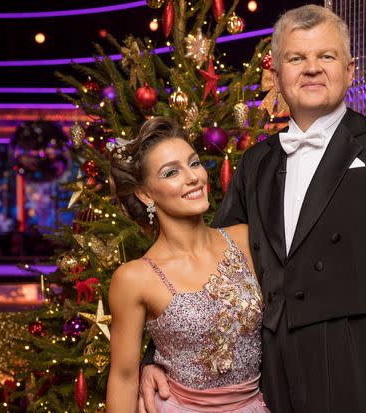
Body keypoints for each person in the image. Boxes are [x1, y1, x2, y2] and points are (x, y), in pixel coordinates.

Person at [140, 5, 366, 413]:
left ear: (351, 70)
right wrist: (154, 358)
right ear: (277, 76)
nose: (312, 69)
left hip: (364, 360)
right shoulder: (255, 163)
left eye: (326, 56)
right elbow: (204, 264)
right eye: (296, 58)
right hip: (272, 369)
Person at [106, 117, 270, 413]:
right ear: (145, 194)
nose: (193, 177)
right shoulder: (134, 278)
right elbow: (123, 377)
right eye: (171, 172)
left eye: (194, 164)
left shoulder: (245, 239)